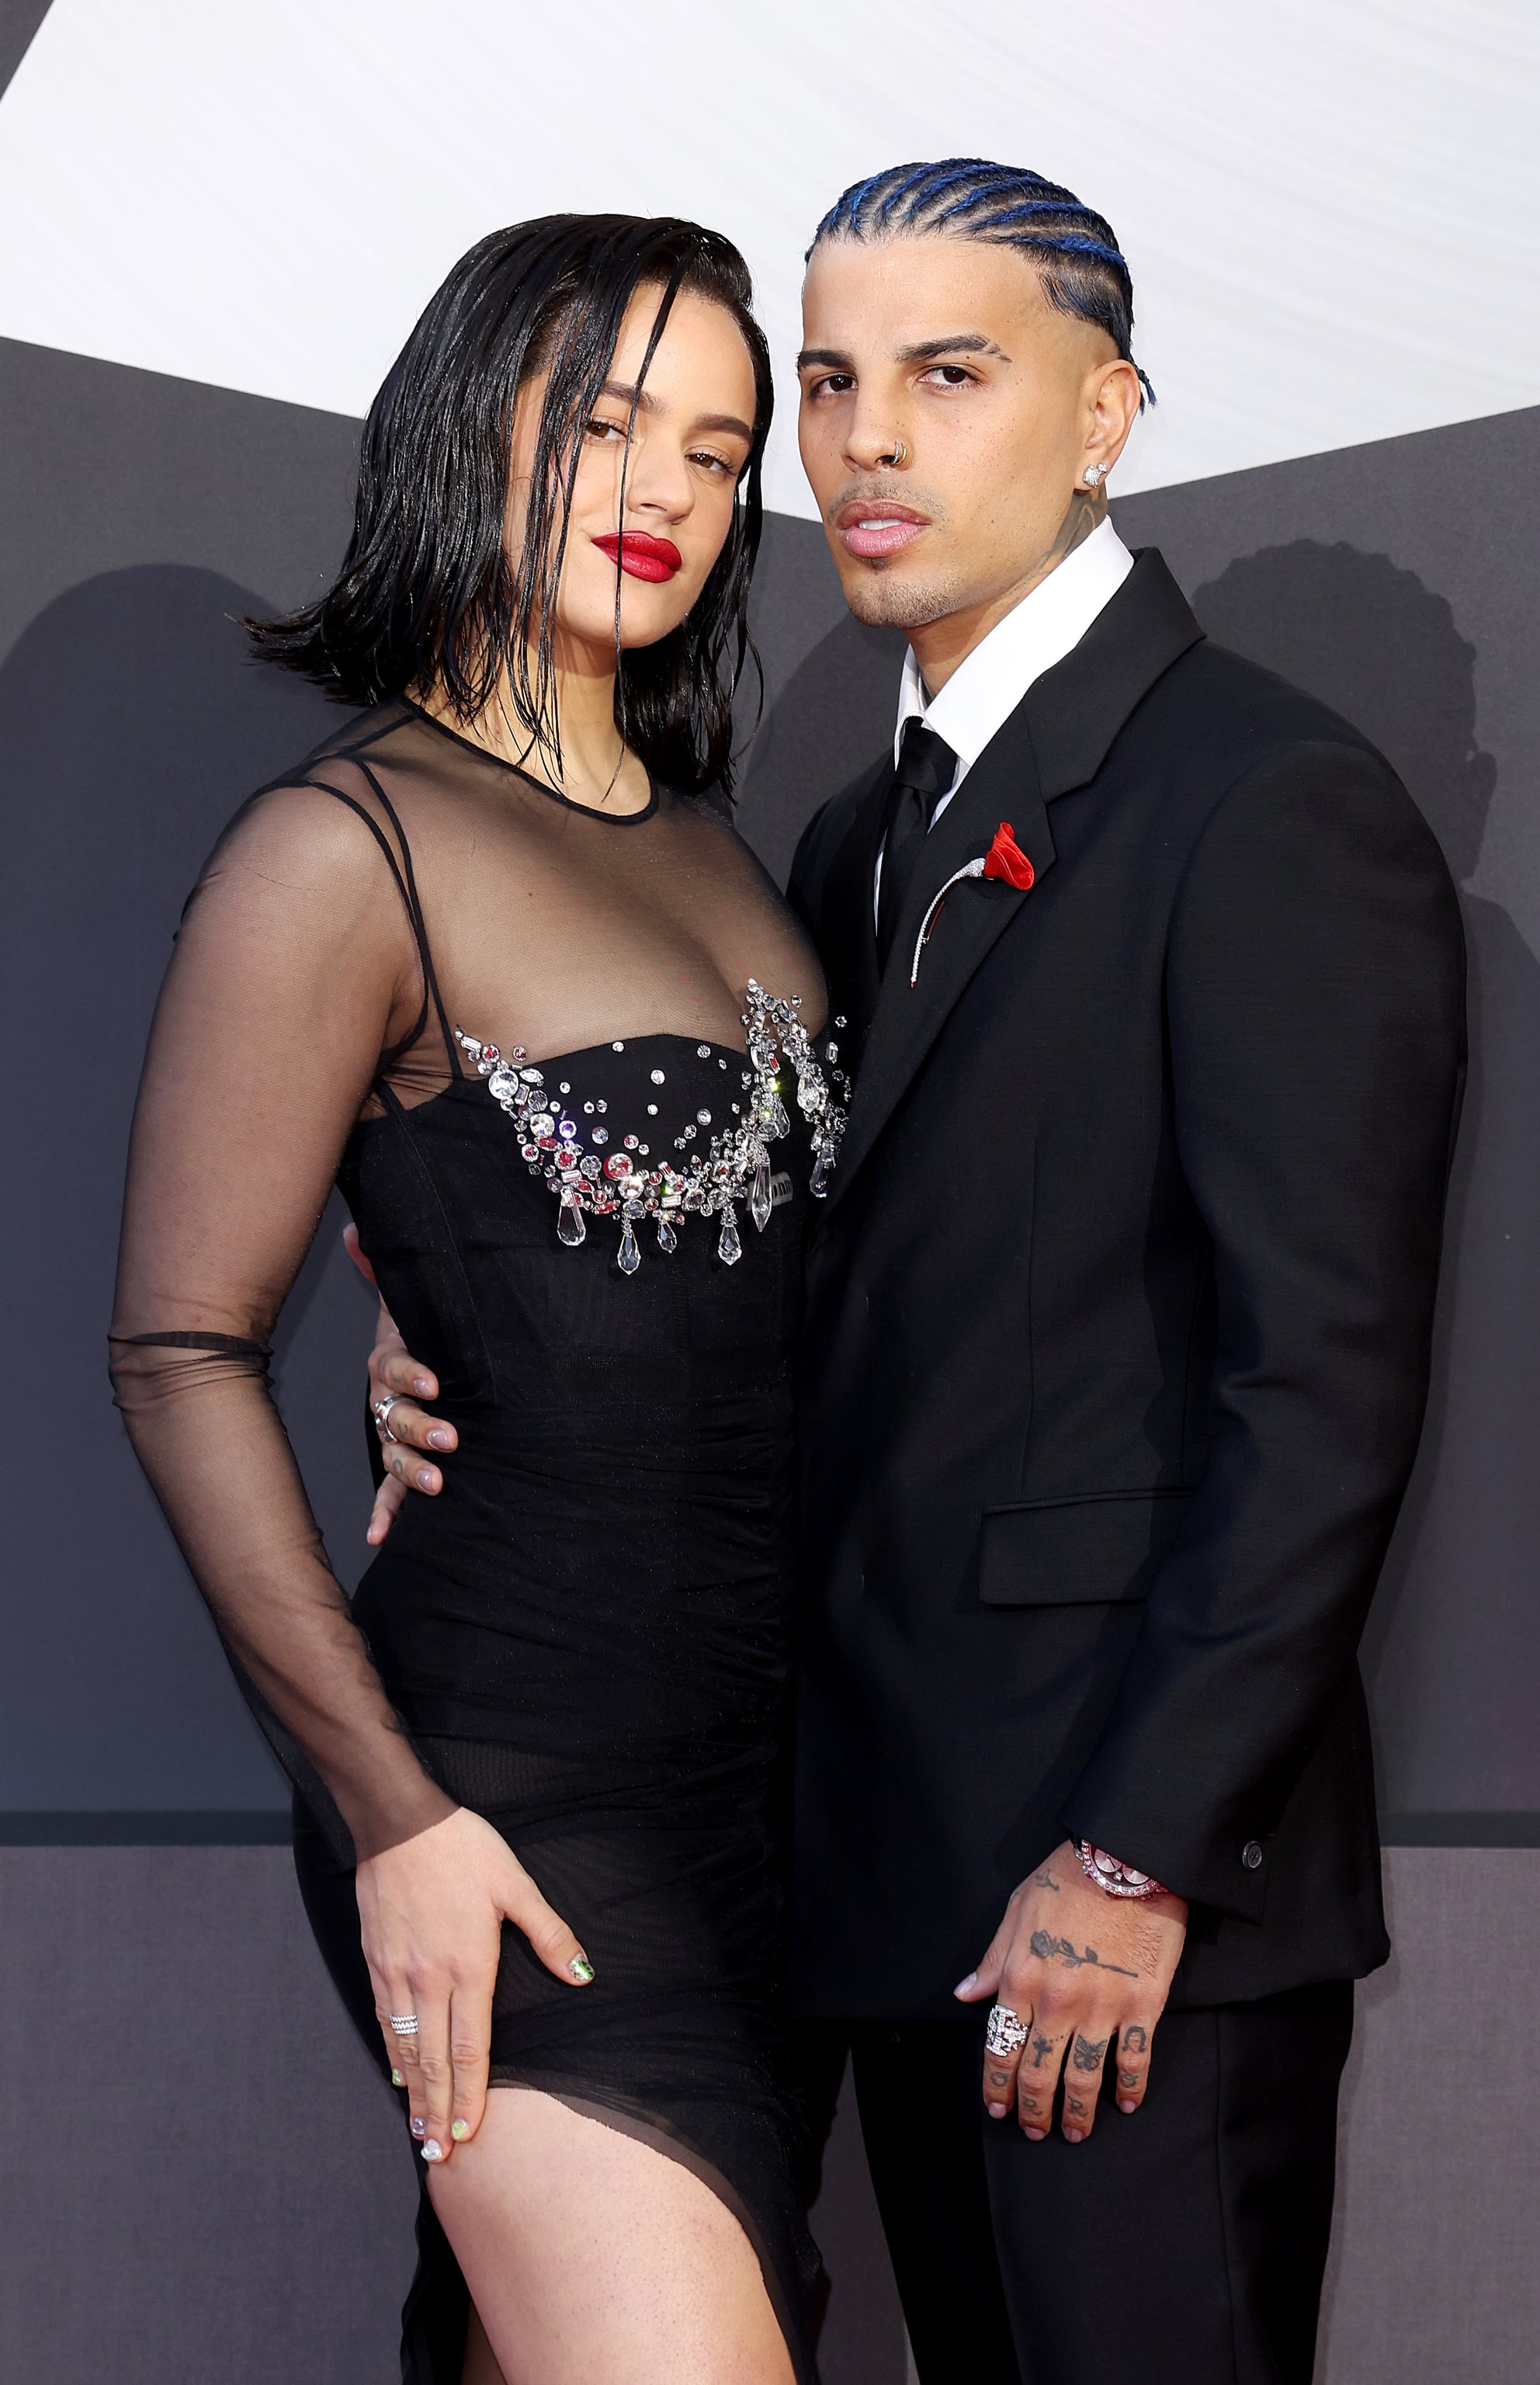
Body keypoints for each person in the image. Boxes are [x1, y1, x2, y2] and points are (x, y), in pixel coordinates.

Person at [369, 162, 1467, 2385]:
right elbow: (807, 1282)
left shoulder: (1265, 801)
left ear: (1106, 413)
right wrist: (473, 1325)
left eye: (949, 377)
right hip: (873, 1887)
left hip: (1119, 1916)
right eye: (838, 384)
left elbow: (1319, 1395)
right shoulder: (859, 841)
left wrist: (1140, 1864)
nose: (865, 444)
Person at [109, 212, 849, 2385]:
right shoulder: (346, 844)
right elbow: (173, 1349)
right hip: (510, 1793)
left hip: (773, 1800)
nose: (670, 498)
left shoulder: (722, 845)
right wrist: (395, 1822)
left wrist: (436, 1330)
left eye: (722, 455)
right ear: (473, 419)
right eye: (610, 423)